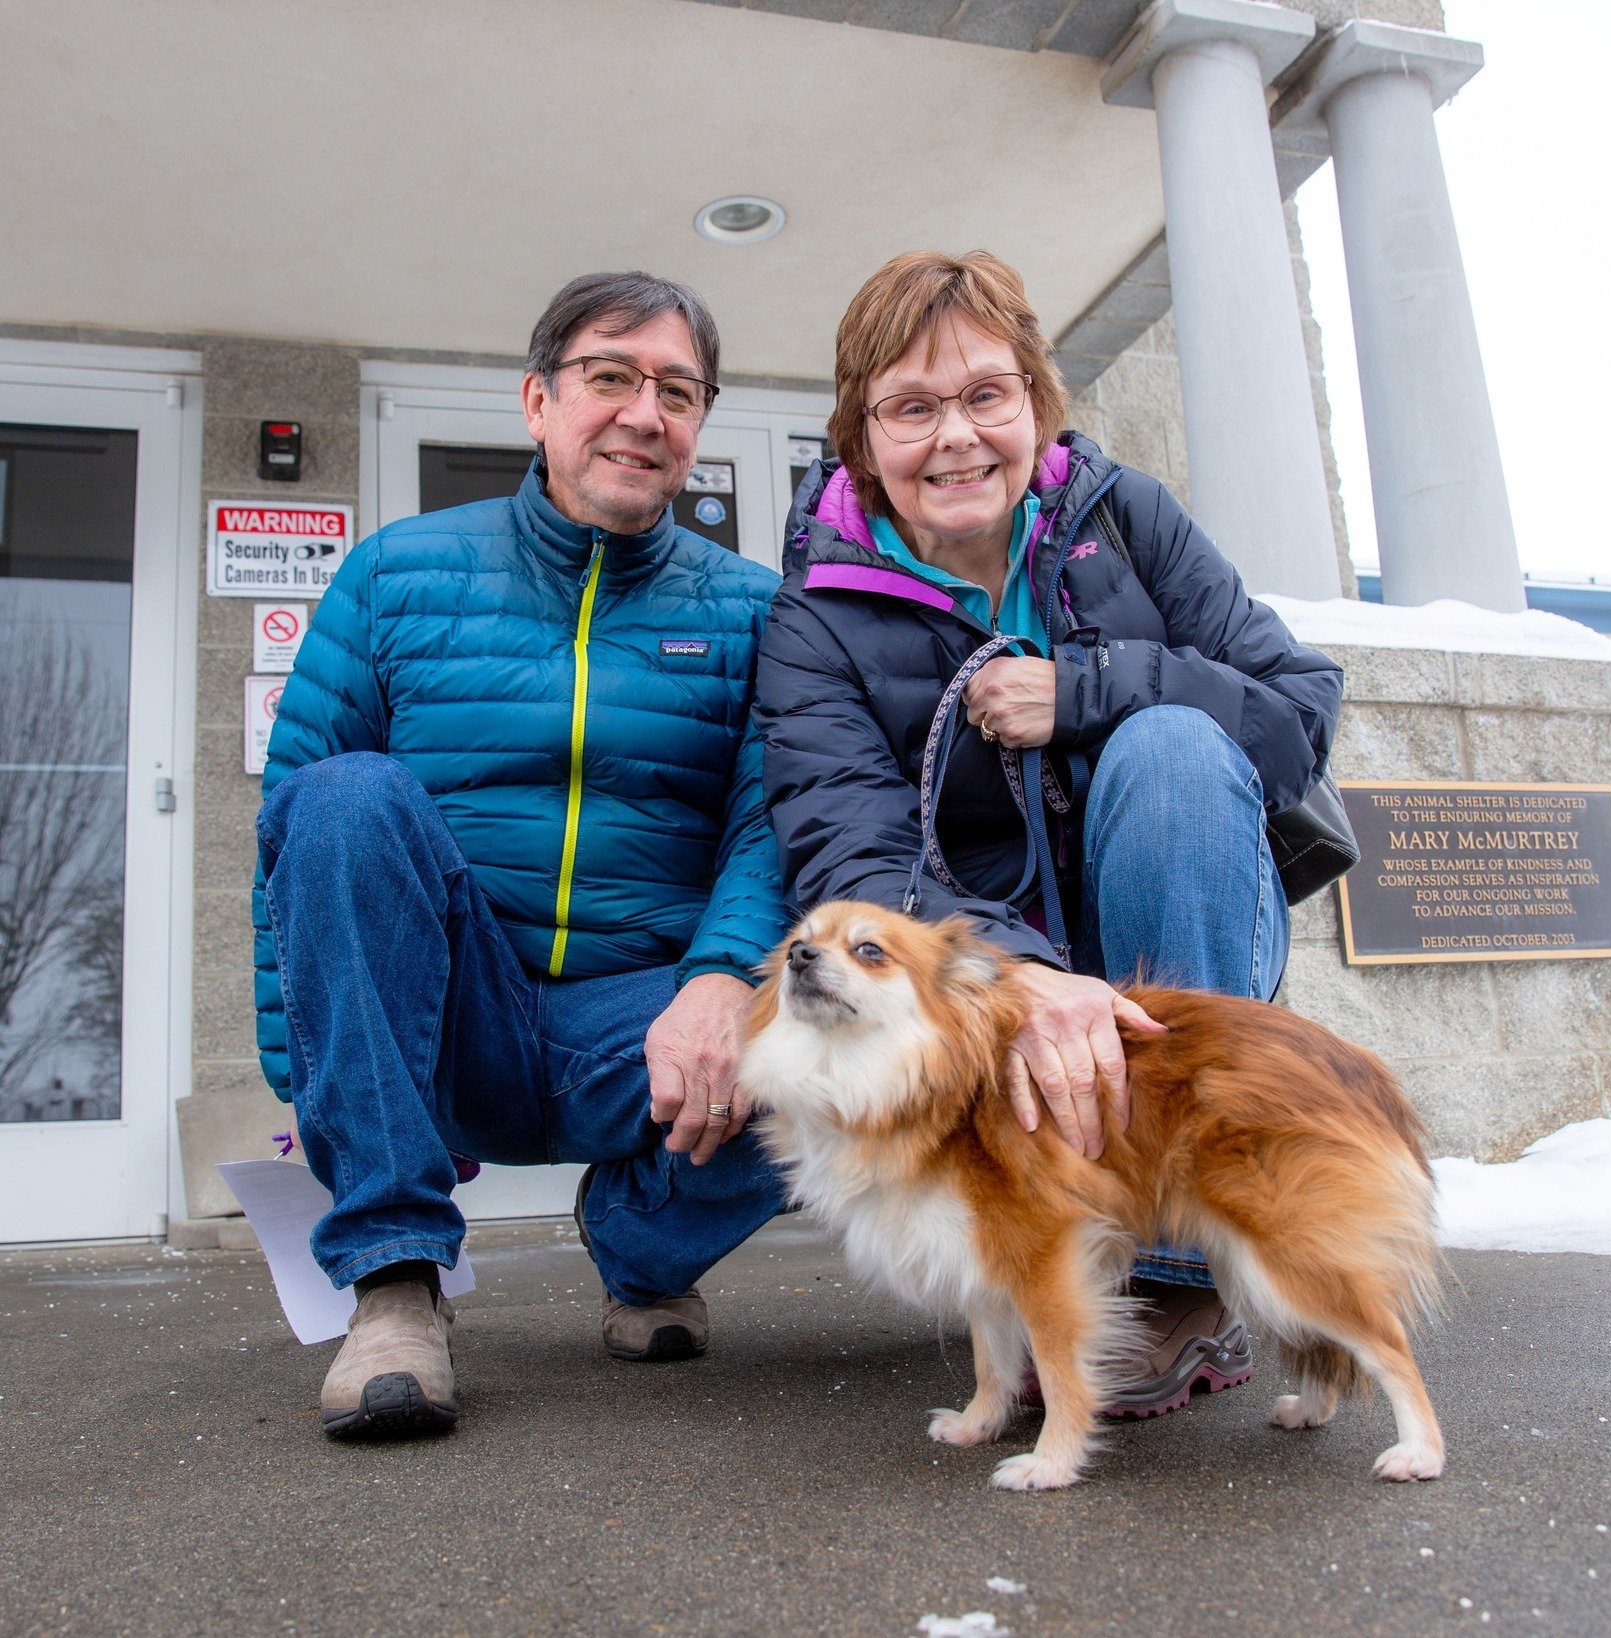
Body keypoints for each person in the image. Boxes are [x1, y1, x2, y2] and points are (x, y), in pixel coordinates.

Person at [753, 250, 1344, 1414]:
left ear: (1036, 399)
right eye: (911, 408)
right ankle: (1045, 1246)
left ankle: (1179, 1268)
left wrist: (1093, 687)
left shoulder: (1126, 519)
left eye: (986, 394)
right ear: (861, 439)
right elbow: (849, 852)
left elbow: (1298, 713)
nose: (957, 437)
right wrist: (1022, 977)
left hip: (1174, 911)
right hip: (992, 957)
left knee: (1169, 750)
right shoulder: (814, 614)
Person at [253, 271, 789, 1438]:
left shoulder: (756, 612)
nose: (644, 414)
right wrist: (318, 1065)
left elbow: (771, 828)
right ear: (539, 401)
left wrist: (722, 983)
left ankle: (646, 1247)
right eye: (611, 377)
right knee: (346, 795)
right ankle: (395, 1285)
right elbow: (298, 824)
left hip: (648, 1025)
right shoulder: (397, 574)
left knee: (839, 1017)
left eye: (679, 391)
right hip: (456, 1015)